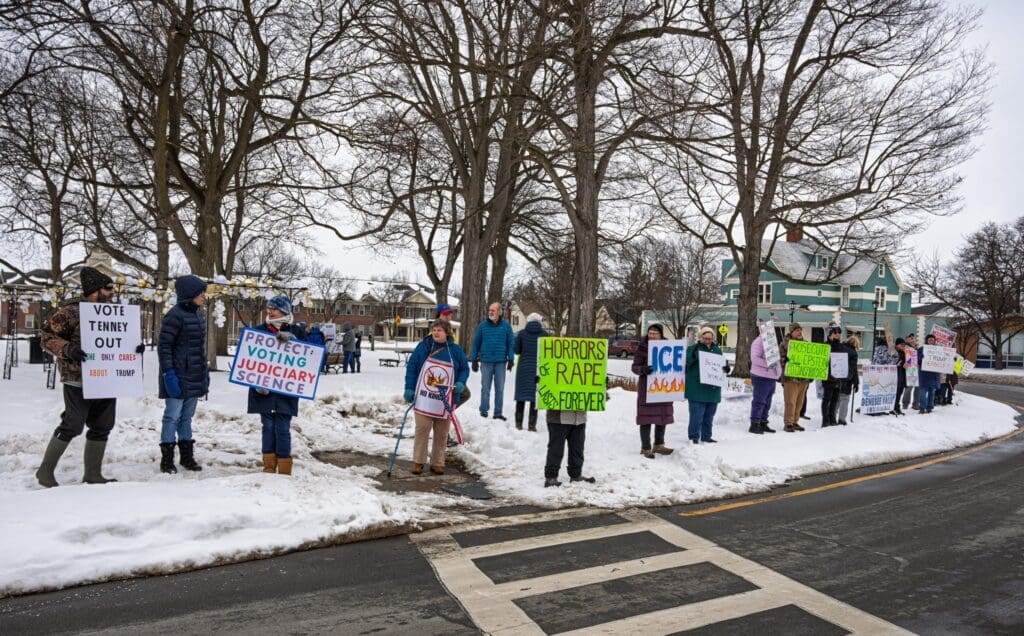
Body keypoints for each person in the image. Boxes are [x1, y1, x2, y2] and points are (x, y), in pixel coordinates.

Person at [35, 266, 144, 487]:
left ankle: (93, 474)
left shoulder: (115, 313)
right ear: (95, 290)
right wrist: (68, 349)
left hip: (108, 378)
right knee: (72, 425)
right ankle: (45, 472)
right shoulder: (70, 312)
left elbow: (121, 339)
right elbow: (46, 337)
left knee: (103, 425)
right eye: (108, 288)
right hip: (78, 378)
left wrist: (134, 348)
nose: (113, 292)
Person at [248, 295, 308, 475]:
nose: (270, 311)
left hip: (286, 392)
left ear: (284, 311)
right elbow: (250, 359)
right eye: (269, 308)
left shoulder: (297, 331)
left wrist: (294, 343)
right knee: (267, 427)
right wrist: (255, 383)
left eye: (274, 308)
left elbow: (309, 357)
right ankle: (268, 466)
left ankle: (284, 468)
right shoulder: (259, 331)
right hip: (263, 391)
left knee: (282, 428)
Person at [157, 275, 209, 474]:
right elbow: (165, 347)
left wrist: (204, 372)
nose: (204, 296)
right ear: (190, 294)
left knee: (186, 417)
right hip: (177, 376)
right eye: (200, 293)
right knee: (172, 417)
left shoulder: (199, 315)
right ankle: (167, 459)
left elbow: (199, 349)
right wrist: (169, 374)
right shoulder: (174, 316)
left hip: (194, 374)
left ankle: (187, 457)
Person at [403, 319, 469, 475]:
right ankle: (418, 461)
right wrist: (409, 388)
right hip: (424, 397)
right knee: (422, 429)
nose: (436, 333)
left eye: (439, 330)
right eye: (434, 330)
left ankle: (437, 462)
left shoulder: (455, 351)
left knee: (441, 432)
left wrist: (460, 382)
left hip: (444, 400)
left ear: (447, 333)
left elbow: (464, 369)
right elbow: (412, 368)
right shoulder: (423, 347)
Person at [632, 323, 675, 456]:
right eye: (650, 333)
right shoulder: (642, 347)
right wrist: (643, 369)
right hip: (647, 388)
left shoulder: (670, 347)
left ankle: (659, 444)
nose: (652, 335)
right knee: (646, 418)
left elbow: (676, 364)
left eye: (655, 333)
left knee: (662, 417)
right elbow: (634, 367)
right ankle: (645, 447)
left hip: (663, 387)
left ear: (660, 335)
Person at [469, 302, 515, 420]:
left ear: (499, 312)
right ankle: (483, 411)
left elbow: (511, 343)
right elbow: (476, 344)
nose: (490, 312)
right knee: (485, 387)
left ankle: (498, 413)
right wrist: (474, 359)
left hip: (500, 362)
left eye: (493, 310)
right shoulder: (482, 326)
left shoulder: (506, 326)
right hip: (486, 361)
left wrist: (511, 359)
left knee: (499, 388)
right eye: (489, 310)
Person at [685, 326, 726, 444]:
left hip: (712, 388)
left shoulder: (717, 350)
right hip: (697, 387)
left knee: (709, 416)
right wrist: (693, 356)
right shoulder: (693, 348)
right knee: (696, 416)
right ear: (700, 337)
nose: (707, 341)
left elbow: (721, 365)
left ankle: (706, 436)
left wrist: (725, 368)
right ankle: (694, 437)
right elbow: (686, 363)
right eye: (705, 338)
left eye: (710, 338)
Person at [513, 313, 547, 431]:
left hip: (523, 368)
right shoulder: (545, 335)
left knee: (521, 397)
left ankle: (518, 424)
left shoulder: (522, 334)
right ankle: (532, 425)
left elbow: (517, 350)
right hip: (538, 369)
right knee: (534, 397)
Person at [749, 323, 780, 434]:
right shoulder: (758, 342)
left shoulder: (771, 343)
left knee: (767, 401)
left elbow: (776, 361)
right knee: (759, 400)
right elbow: (755, 359)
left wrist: (778, 372)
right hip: (760, 376)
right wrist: (769, 364)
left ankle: (763, 422)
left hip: (771, 376)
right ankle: (754, 423)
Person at [779, 323, 810, 433]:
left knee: (799, 402)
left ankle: (795, 421)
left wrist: (811, 374)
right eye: (797, 330)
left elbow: (810, 361)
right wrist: (785, 360)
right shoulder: (785, 344)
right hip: (790, 378)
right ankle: (788, 423)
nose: (799, 332)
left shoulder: (806, 344)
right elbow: (780, 359)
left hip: (803, 378)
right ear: (791, 332)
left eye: (800, 330)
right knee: (790, 401)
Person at [821, 325, 847, 427]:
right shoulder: (826, 345)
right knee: (827, 399)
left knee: (835, 400)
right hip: (828, 378)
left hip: (838, 378)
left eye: (839, 333)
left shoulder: (841, 346)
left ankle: (832, 419)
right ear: (830, 334)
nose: (838, 335)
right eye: (835, 333)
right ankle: (825, 420)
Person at [836, 336, 861, 426]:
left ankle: (832, 416)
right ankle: (841, 419)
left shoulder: (840, 347)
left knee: (836, 398)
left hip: (836, 376)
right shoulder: (853, 353)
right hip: (847, 378)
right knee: (844, 398)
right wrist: (856, 382)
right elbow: (854, 369)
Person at [917, 334, 941, 414]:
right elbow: (917, 360)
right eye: (930, 340)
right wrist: (923, 357)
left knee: (932, 392)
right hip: (924, 374)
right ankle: (922, 408)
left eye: (933, 340)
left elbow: (942, 360)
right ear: (926, 340)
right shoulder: (921, 349)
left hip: (934, 375)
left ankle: (929, 407)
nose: (931, 341)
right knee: (923, 392)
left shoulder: (938, 350)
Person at [901, 333, 920, 411]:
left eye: (913, 338)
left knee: (918, 387)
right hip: (909, 371)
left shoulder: (916, 348)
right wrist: (903, 364)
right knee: (909, 388)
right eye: (910, 337)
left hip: (917, 370)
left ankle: (916, 404)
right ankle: (905, 404)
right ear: (906, 339)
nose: (912, 339)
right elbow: (902, 358)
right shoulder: (905, 348)